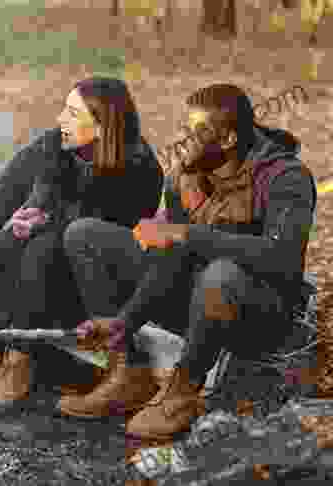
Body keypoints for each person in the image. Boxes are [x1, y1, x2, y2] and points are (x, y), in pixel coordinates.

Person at [59, 83, 317, 440]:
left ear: (226, 140)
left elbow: (282, 259)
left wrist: (187, 234)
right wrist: (126, 321)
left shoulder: (285, 177)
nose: (182, 140)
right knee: (85, 235)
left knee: (221, 273)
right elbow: (173, 257)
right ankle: (126, 371)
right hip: (195, 299)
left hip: (260, 313)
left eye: (194, 132)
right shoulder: (184, 176)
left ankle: (183, 388)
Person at [0, 77, 164, 415]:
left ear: (101, 126)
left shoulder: (138, 167)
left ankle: (21, 360)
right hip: (44, 269)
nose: (61, 120)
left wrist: (43, 217)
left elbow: (92, 233)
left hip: (92, 288)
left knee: (42, 246)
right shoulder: (55, 144)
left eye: (72, 113)